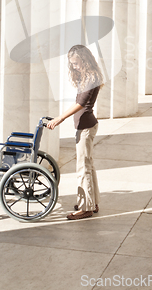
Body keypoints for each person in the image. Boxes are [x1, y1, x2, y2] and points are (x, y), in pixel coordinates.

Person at [47, 44, 104, 220]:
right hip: (85, 125)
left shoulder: (91, 77)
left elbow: (81, 104)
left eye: (77, 63)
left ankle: (85, 208)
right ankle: (91, 202)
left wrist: (59, 118)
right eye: (72, 64)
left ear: (85, 60)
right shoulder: (88, 76)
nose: (74, 67)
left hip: (85, 127)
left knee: (83, 168)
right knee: (88, 165)